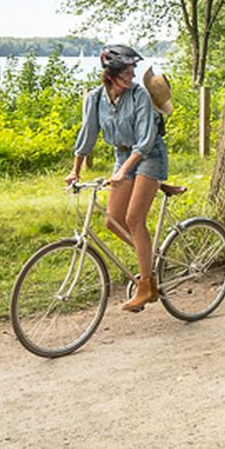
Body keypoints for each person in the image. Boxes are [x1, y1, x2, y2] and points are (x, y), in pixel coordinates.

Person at [68, 44, 170, 312]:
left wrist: (124, 170)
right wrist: (75, 170)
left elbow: (146, 140)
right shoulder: (95, 99)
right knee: (113, 221)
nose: (132, 75)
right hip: (122, 155)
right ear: (111, 73)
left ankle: (146, 286)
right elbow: (87, 135)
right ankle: (148, 255)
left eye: (133, 69)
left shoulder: (139, 95)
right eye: (126, 71)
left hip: (149, 155)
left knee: (134, 218)